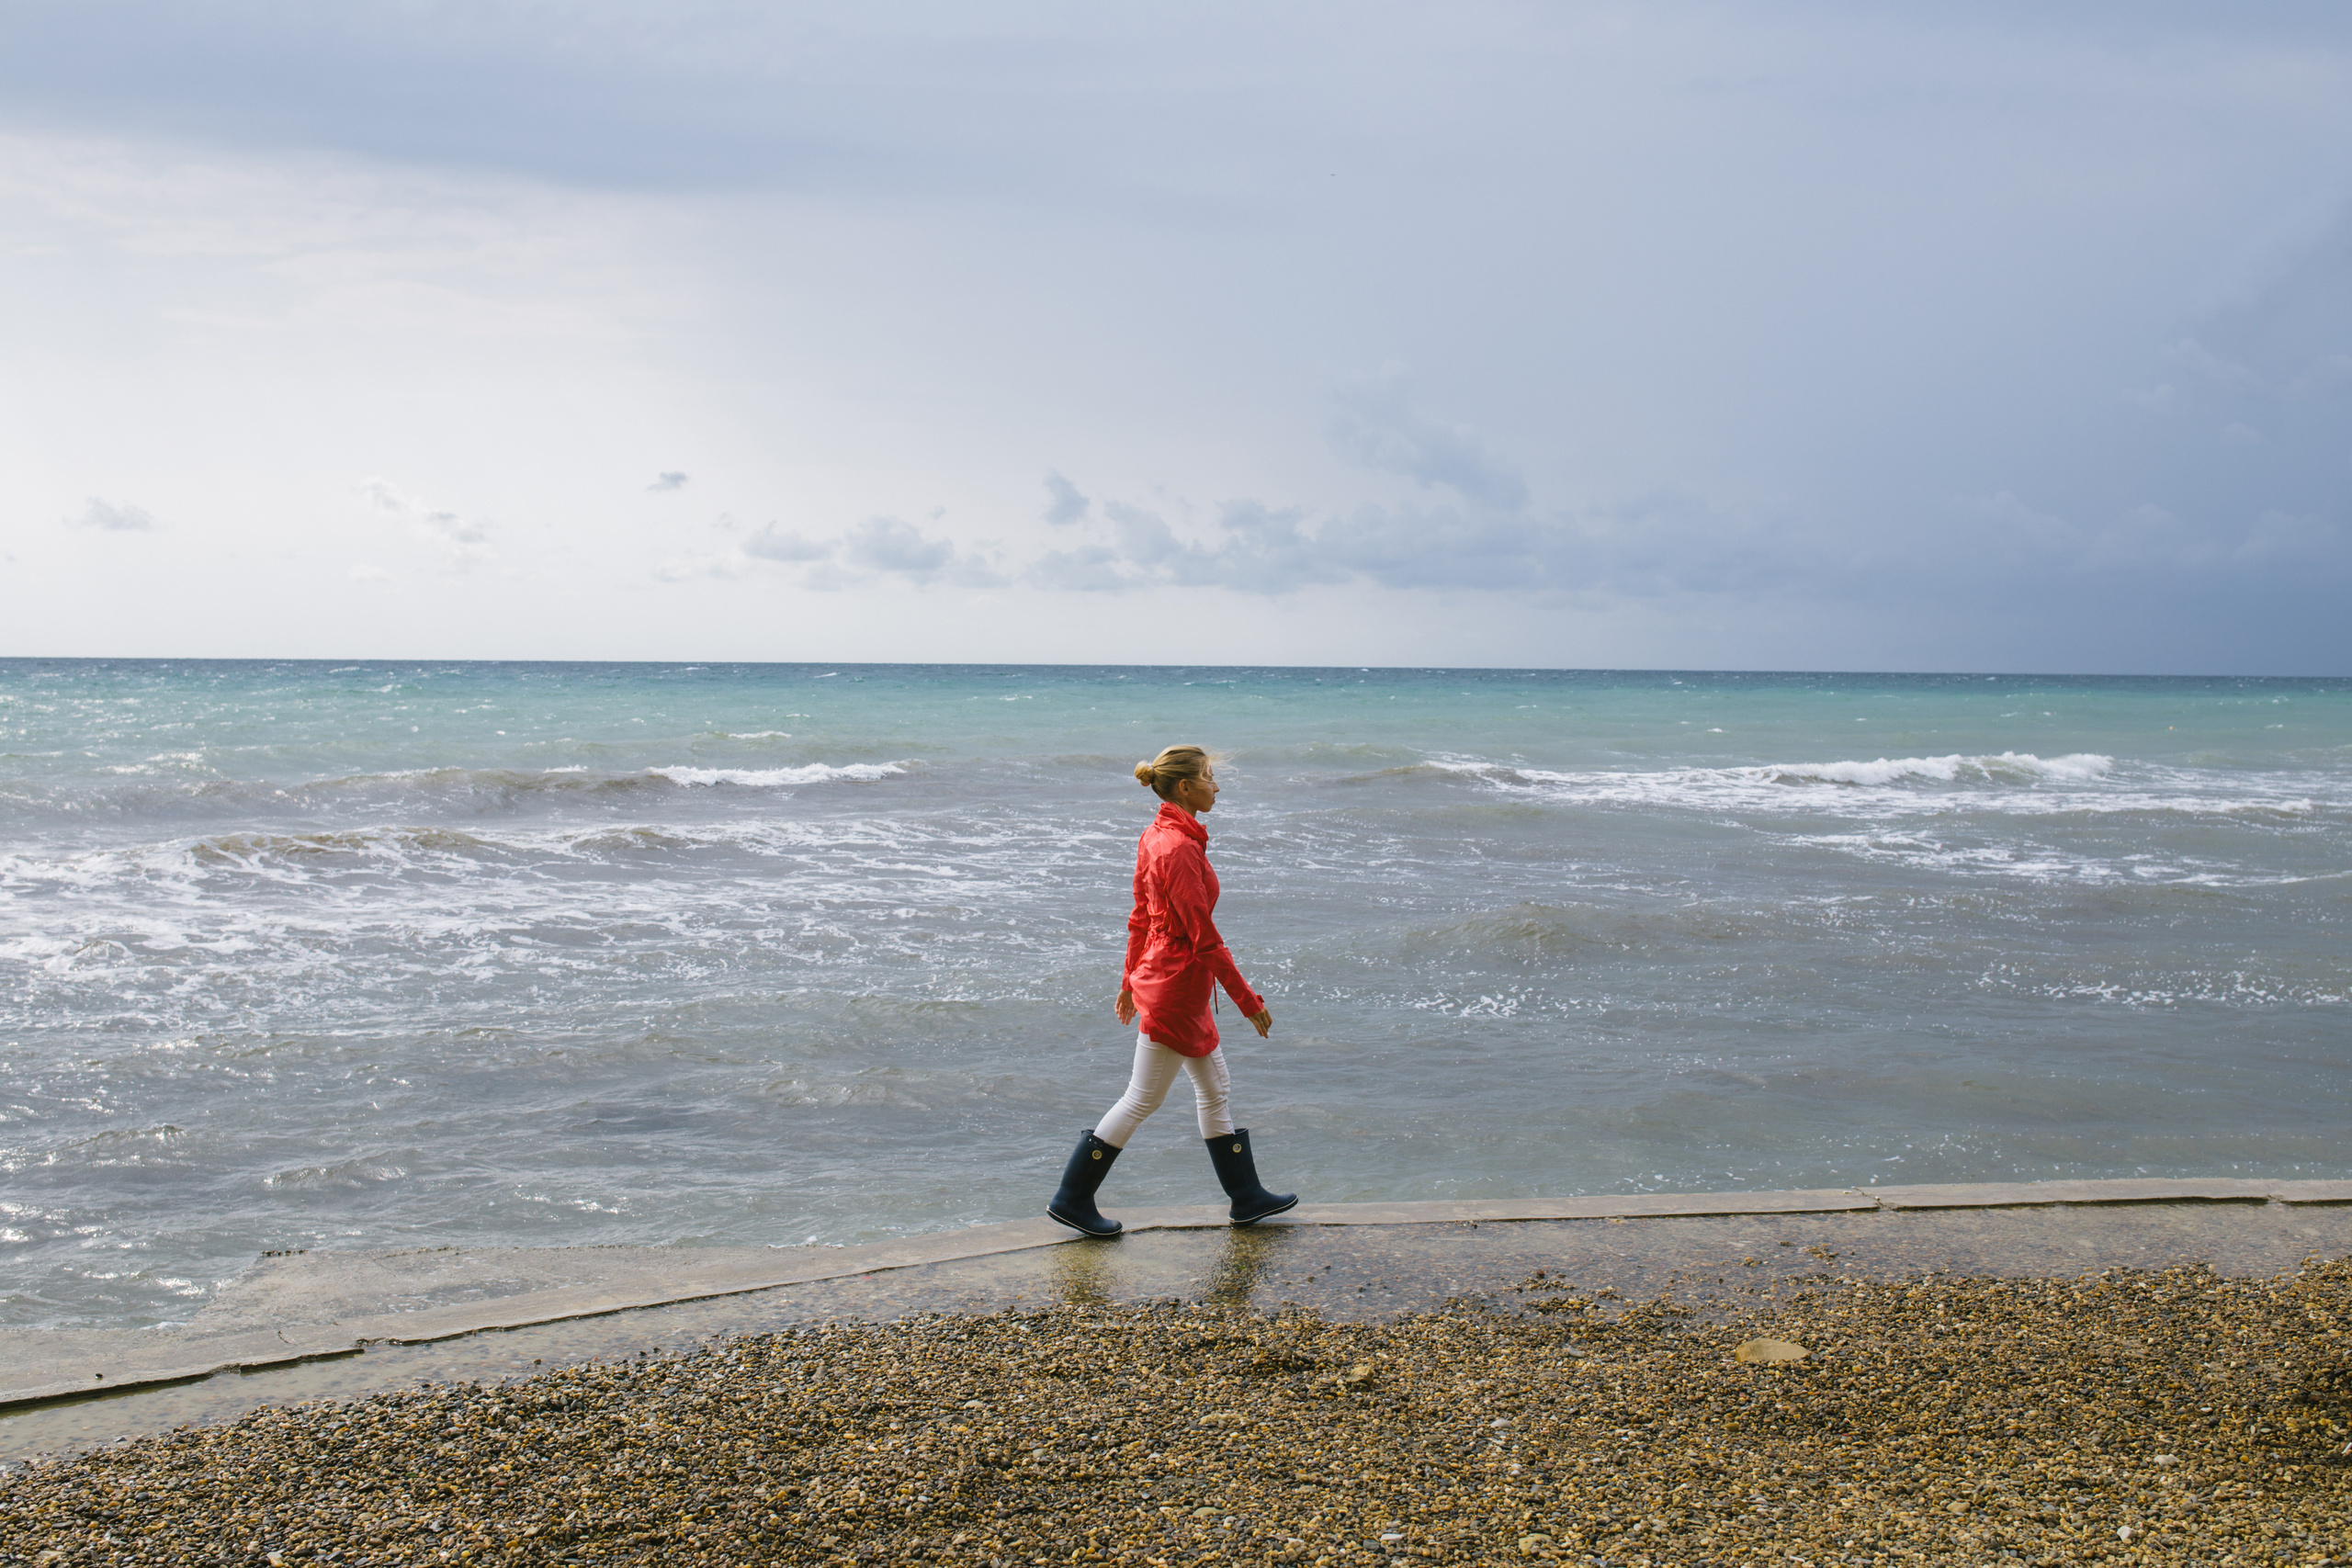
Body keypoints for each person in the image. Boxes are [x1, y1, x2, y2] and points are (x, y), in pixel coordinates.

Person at [1047, 745, 1296, 1236]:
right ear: (1185, 787)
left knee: (1214, 1088)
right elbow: (1203, 938)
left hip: (1169, 979)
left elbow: (1141, 917)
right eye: (1209, 777)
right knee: (1142, 1098)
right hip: (1176, 986)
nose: (1216, 786)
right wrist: (1249, 1002)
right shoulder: (1178, 848)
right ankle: (1071, 1198)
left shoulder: (1159, 835)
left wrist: (1127, 982)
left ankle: (1246, 1198)